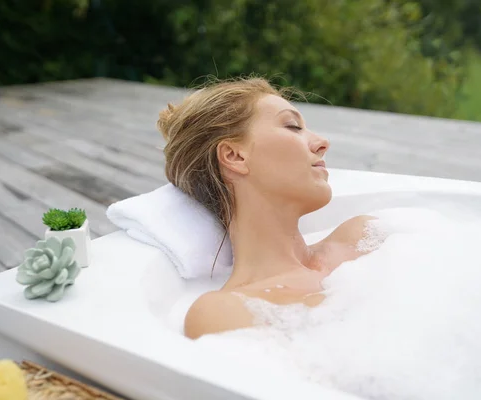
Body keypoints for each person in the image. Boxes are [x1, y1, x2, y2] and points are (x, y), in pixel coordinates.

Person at [156, 77, 376, 340]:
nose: (322, 142)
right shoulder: (226, 313)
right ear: (235, 157)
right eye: (293, 126)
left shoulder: (365, 237)